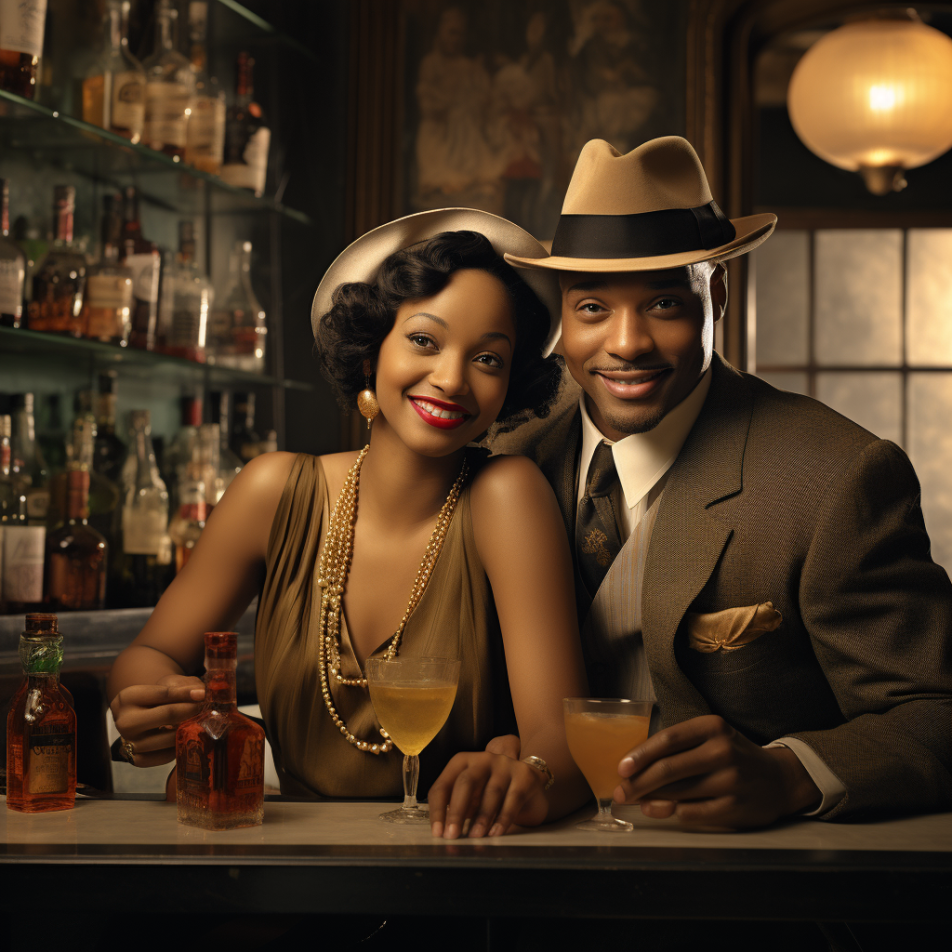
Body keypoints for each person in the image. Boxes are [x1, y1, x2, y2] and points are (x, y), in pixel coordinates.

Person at [497, 135, 952, 827]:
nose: (626, 343)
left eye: (664, 305)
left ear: (720, 296)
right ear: (562, 315)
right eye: (592, 308)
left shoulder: (836, 477)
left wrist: (790, 772)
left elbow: (935, 711)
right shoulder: (510, 461)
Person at [107, 209, 589, 839]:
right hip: (286, 861)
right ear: (370, 350)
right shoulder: (273, 491)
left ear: (509, 385)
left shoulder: (506, 496)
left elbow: (561, 740)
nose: (450, 379)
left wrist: (531, 777)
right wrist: (156, 703)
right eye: (424, 340)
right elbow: (151, 653)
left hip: (456, 866)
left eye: (489, 360)